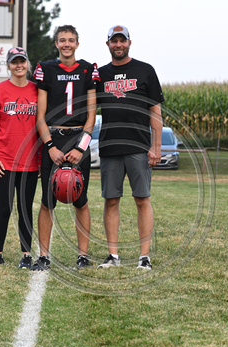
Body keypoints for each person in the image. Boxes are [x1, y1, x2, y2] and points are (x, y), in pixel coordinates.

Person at [96, 25, 164, 270]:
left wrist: (155, 147)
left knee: (142, 199)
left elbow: (155, 113)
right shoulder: (100, 74)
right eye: (114, 41)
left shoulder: (145, 70)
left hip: (138, 146)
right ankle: (113, 256)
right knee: (111, 200)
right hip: (110, 146)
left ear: (129, 43)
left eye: (122, 40)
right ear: (108, 45)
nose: (118, 45)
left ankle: (144, 257)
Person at [31, 24, 99, 270]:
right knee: (48, 201)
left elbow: (92, 115)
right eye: (62, 40)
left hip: (78, 137)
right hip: (54, 138)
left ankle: (83, 255)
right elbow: (40, 116)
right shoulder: (46, 69)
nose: (67, 44)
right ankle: (44, 255)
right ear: (56, 43)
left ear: (77, 44)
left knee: (80, 199)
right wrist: (49, 146)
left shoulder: (88, 69)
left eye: (71, 40)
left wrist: (81, 148)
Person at [0, 47, 40, 268]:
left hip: (29, 162)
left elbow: (42, 126)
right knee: (5, 208)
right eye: (14, 62)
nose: (19, 65)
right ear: (8, 65)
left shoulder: (37, 90)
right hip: (4, 161)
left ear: (28, 64)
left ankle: (26, 254)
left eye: (22, 61)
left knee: (25, 209)